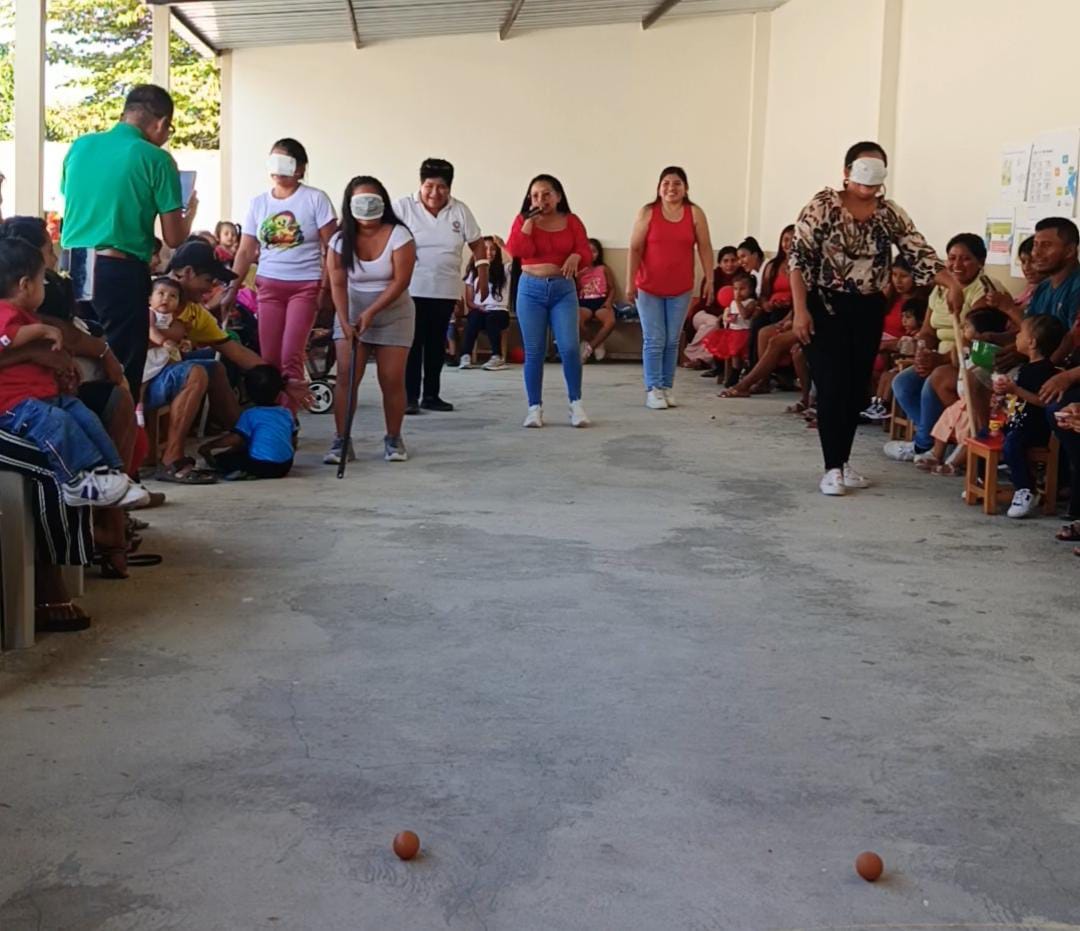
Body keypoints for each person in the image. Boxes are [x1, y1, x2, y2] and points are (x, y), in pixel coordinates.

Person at [790, 140, 964, 496]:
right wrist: (800, 309)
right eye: (862, 170)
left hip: (868, 308)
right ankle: (832, 467)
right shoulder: (822, 207)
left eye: (877, 171)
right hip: (826, 305)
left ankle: (843, 461)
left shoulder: (889, 213)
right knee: (833, 385)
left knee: (855, 388)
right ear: (846, 172)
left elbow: (917, 250)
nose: (869, 182)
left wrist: (950, 282)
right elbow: (799, 259)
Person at [60, 84, 196, 397]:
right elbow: (174, 237)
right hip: (118, 268)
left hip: (75, 264)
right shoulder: (157, 159)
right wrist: (189, 214)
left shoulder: (80, 146)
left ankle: (84, 422)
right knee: (121, 366)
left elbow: (73, 200)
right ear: (161, 123)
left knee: (81, 354)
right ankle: (118, 427)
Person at [0, 239, 145, 508]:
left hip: (44, 395)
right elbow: (4, 340)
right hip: (15, 405)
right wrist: (40, 332)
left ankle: (110, 474)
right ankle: (77, 481)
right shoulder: (5, 313)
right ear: (25, 285)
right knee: (58, 423)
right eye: (42, 280)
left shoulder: (28, 315)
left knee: (84, 416)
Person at [226, 138, 337, 413]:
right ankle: (273, 415)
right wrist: (232, 288)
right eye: (273, 161)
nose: (278, 169)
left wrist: (327, 290)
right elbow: (245, 251)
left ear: (300, 168)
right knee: (269, 358)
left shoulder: (315, 199)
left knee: (291, 356)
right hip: (268, 288)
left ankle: (288, 417)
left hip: (304, 287)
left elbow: (332, 247)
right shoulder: (258, 203)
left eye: (285, 162)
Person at [885, 233, 1003, 463]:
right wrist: (923, 352)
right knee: (903, 383)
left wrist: (940, 360)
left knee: (935, 378)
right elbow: (928, 331)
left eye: (966, 259)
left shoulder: (985, 289)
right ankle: (936, 438)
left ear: (981, 261)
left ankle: (923, 445)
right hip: (940, 356)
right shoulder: (940, 289)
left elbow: (974, 334)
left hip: (969, 360)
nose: (957, 265)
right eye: (952, 258)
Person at [326, 176, 416, 464]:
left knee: (391, 378)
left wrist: (372, 312)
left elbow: (401, 281)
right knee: (346, 375)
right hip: (351, 311)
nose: (366, 208)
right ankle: (341, 440)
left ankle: (393, 438)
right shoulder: (339, 240)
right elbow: (337, 283)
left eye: (372, 201)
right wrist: (344, 320)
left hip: (393, 313)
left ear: (383, 202)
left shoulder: (400, 235)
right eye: (360, 202)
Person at [394, 158, 486, 414]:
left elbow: (477, 244)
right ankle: (409, 397)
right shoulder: (402, 207)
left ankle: (431, 395)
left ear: (450, 187)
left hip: (445, 290)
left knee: (436, 345)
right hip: (410, 289)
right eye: (429, 186)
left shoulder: (460, 210)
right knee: (413, 344)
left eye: (442, 187)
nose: (435, 193)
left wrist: (483, 273)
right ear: (421, 184)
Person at [505, 174, 592, 428]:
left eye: (546, 194)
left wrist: (576, 256)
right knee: (534, 351)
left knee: (569, 347)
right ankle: (534, 408)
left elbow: (585, 250)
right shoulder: (523, 220)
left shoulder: (571, 221)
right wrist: (528, 224)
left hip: (563, 290)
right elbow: (517, 251)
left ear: (558, 197)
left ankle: (576, 404)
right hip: (530, 289)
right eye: (535, 195)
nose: (540, 200)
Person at [627, 166, 715, 410]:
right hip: (648, 287)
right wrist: (629, 282)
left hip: (681, 288)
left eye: (677, 183)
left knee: (672, 340)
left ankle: (666, 387)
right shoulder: (648, 212)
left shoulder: (694, 213)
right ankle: (653, 388)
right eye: (666, 183)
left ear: (686, 188)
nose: (671, 188)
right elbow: (635, 248)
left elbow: (705, 246)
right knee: (654, 339)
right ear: (659, 188)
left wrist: (710, 278)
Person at [996, 315, 1067, 517]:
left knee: (1012, 444)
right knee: (988, 435)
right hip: (1018, 422)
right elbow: (1018, 398)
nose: (1016, 336)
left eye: (1020, 333)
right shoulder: (1026, 368)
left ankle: (1026, 489)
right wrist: (1003, 396)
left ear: (1032, 342)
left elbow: (1043, 401)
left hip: (1035, 428)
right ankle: (985, 482)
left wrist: (1015, 390)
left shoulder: (1045, 371)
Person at [199, 365, 296, 479]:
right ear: (279, 391)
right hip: (285, 466)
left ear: (248, 393)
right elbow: (293, 440)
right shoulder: (286, 413)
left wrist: (210, 446)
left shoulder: (250, 414)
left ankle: (243, 471)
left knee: (224, 459)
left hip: (261, 464)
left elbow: (235, 439)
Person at [862, 296, 927, 421]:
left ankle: (885, 405)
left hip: (912, 367)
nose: (904, 321)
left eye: (908, 317)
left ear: (920, 319)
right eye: (902, 317)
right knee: (885, 375)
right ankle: (877, 403)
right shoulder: (908, 335)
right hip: (902, 366)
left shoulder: (921, 336)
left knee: (891, 376)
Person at [459, 236, 511, 371]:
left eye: (492, 249)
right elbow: (470, 301)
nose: (489, 252)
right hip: (480, 310)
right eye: (485, 249)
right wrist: (479, 307)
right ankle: (465, 355)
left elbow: (517, 264)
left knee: (492, 319)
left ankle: (497, 357)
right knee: (473, 318)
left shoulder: (505, 269)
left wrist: (503, 246)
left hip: (499, 311)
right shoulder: (473, 272)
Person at [702, 271, 757, 386]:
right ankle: (732, 374)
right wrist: (725, 317)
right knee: (733, 354)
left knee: (742, 355)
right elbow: (729, 314)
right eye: (735, 289)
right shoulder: (732, 303)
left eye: (742, 289)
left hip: (744, 332)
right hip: (733, 332)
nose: (738, 292)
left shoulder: (751, 302)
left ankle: (743, 372)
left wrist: (738, 302)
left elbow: (745, 315)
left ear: (751, 290)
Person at [577, 239, 617, 362]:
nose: (591, 254)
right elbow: (574, 289)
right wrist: (577, 276)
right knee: (575, 321)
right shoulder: (579, 269)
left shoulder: (603, 269)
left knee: (610, 321)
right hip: (584, 302)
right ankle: (596, 342)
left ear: (599, 253)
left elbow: (612, 288)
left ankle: (589, 348)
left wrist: (608, 302)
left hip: (601, 301)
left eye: (594, 251)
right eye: (588, 251)